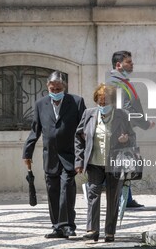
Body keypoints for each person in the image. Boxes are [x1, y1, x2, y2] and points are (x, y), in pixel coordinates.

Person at [22, 71, 86, 239]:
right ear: (47, 87)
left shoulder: (77, 102)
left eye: (59, 89)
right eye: (53, 88)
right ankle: (57, 227)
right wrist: (27, 152)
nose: (56, 91)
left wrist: (83, 155)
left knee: (66, 189)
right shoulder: (40, 104)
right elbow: (35, 130)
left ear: (64, 87)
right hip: (50, 156)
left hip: (70, 156)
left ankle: (68, 225)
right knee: (53, 191)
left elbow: (84, 130)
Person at [75, 83, 136, 242]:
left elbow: (132, 137)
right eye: (100, 103)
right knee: (93, 193)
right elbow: (78, 137)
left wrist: (126, 139)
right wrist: (79, 161)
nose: (102, 106)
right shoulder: (89, 114)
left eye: (105, 103)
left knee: (112, 197)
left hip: (114, 163)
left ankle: (110, 232)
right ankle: (92, 229)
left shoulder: (121, 115)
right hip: (94, 162)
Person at [107, 50, 155, 208]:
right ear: (118, 65)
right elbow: (124, 108)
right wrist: (145, 123)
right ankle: (120, 199)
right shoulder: (114, 83)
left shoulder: (123, 81)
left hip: (127, 128)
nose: (132, 64)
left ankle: (126, 199)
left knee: (127, 164)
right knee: (122, 164)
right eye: (129, 62)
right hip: (121, 130)